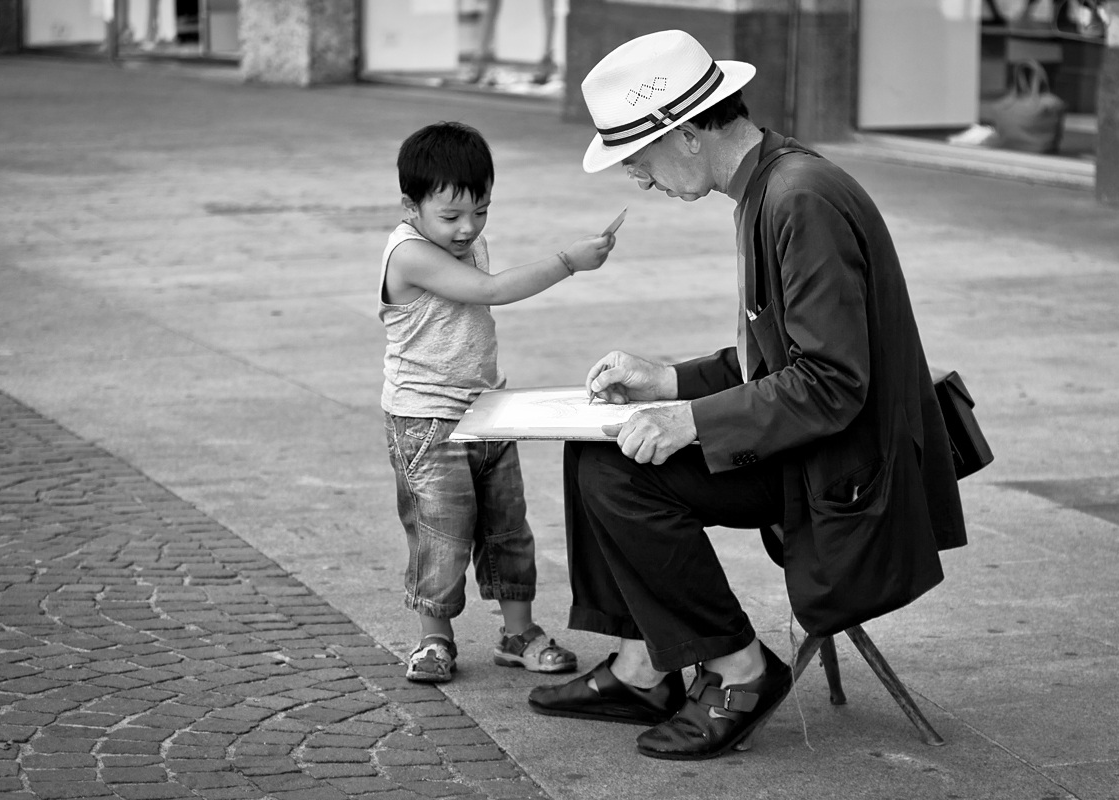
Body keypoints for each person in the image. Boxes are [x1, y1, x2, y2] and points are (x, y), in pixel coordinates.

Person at [527, 30, 968, 760]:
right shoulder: (770, 186)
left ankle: (737, 668)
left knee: (617, 476)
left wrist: (689, 422)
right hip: (823, 447)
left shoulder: (799, 198)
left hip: (848, 472)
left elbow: (831, 383)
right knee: (596, 448)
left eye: (637, 157)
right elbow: (779, 358)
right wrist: (667, 381)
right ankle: (645, 666)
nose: (636, 178)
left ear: (688, 135)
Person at [380, 121, 615, 683]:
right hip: (427, 422)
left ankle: (519, 632)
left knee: (509, 529)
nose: (468, 229)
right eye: (452, 216)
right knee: (441, 534)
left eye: (480, 211)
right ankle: (434, 639)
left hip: (485, 411)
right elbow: (490, 292)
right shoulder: (410, 254)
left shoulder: (459, 239)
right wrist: (568, 261)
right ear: (410, 206)